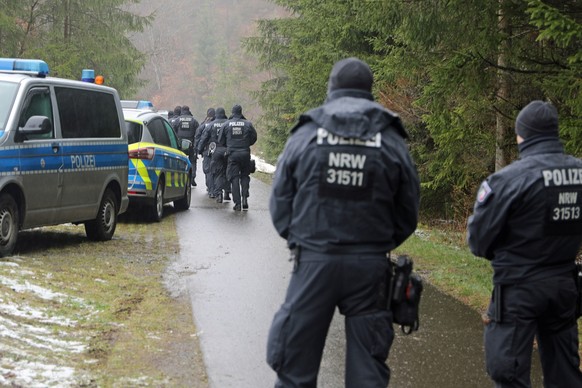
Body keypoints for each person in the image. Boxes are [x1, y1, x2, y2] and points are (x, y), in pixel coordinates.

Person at [266, 57, 420, 387]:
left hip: (313, 263)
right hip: (370, 268)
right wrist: (376, 244)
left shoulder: (306, 135)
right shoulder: (391, 140)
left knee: (295, 365)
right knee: (368, 371)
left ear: (331, 89)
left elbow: (280, 202)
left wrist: (301, 239)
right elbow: (408, 212)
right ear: (369, 91)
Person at [467, 100, 582, 388]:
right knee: (565, 373)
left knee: (508, 372)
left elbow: (478, 241)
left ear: (522, 135)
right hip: (564, 287)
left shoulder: (508, 180)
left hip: (518, 289)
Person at [220, 104, 257, 211]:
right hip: (245, 153)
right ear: (241, 112)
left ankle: (238, 203)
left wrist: (229, 145)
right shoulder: (248, 124)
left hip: (232, 154)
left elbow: (220, 140)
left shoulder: (227, 124)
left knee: (234, 178)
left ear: (232, 112)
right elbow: (254, 137)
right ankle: (245, 198)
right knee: (245, 176)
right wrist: (246, 144)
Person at [199, 107, 229, 203]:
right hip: (227, 150)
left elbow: (203, 138)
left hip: (213, 151)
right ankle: (227, 192)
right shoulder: (228, 123)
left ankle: (216, 192)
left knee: (215, 172)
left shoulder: (210, 125)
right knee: (226, 171)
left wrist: (199, 149)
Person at [175, 106, 199, 186]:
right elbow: (198, 133)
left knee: (179, 160)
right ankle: (192, 177)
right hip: (191, 144)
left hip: (180, 145)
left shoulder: (178, 120)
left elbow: (173, 130)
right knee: (192, 161)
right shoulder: (194, 120)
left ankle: (179, 178)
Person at [196, 108, 217, 197]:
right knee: (217, 171)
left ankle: (211, 189)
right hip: (219, 151)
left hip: (207, 151)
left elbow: (199, 137)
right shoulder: (221, 123)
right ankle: (217, 190)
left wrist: (198, 149)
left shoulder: (204, 125)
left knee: (208, 170)